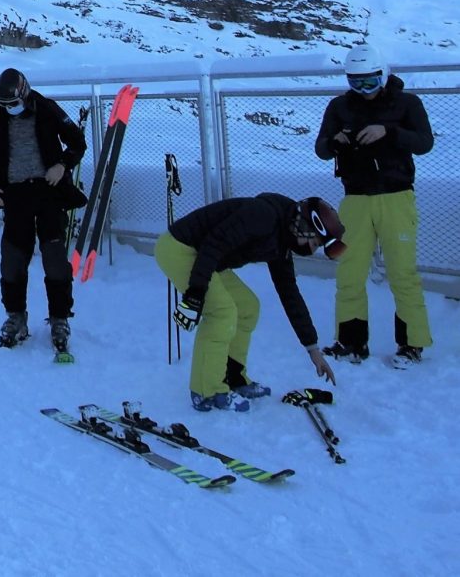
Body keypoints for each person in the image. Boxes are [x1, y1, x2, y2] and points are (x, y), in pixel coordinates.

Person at [155, 193, 339, 411]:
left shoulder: (282, 241)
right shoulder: (262, 216)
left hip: (205, 257)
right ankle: (207, 391)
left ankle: (232, 377)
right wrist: (196, 293)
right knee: (222, 313)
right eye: (315, 242)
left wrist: (312, 348)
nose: (312, 250)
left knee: (247, 307)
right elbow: (214, 243)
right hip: (181, 249)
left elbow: (289, 293)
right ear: (303, 226)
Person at [314, 44, 435, 364]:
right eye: (356, 82)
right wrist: (335, 141)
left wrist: (390, 131)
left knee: (402, 273)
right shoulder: (339, 107)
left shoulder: (407, 103)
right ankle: (351, 342)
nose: (363, 90)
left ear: (383, 74)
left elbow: (425, 142)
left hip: (396, 198)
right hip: (355, 200)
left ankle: (412, 344)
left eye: (369, 81)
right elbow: (321, 149)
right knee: (349, 272)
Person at [0, 68, 87, 355]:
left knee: (55, 258)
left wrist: (62, 165)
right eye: (3, 105)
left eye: (11, 104)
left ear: (23, 94)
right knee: (12, 259)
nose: (8, 109)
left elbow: (77, 141)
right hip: (15, 197)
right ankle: (16, 317)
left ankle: (60, 318)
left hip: (48, 193)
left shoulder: (47, 108)